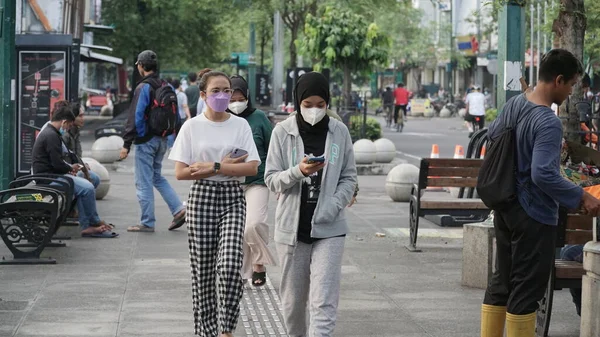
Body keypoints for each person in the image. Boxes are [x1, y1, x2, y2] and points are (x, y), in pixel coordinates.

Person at [480, 49, 600, 337]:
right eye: (571, 84)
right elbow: (542, 173)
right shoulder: (547, 121)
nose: (571, 91)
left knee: (502, 283)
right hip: (533, 213)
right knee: (526, 290)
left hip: (506, 206)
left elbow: (492, 137)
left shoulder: (514, 106)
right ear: (558, 80)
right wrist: (581, 196)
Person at [265, 72, 357, 337]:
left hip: (330, 229)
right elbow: (271, 179)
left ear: (328, 102)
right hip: (291, 231)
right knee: (293, 303)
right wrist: (299, 172)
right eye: (308, 105)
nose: (314, 110)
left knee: (323, 301)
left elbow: (349, 176)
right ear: (297, 102)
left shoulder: (339, 131)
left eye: (320, 104)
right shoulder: (282, 132)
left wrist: (333, 205)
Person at [169, 69, 260, 337]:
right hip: (201, 199)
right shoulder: (192, 126)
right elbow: (182, 172)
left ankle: (227, 329)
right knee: (203, 272)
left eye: (227, 91)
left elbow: (252, 167)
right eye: (216, 91)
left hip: (232, 198)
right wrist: (217, 169)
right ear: (204, 94)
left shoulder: (240, 125)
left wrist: (215, 165)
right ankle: (206, 332)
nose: (222, 96)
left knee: (230, 265)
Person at [119, 50, 186, 232]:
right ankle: (179, 209)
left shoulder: (144, 87)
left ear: (141, 66)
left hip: (145, 141)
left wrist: (127, 143)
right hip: (163, 138)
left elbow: (136, 116)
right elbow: (177, 116)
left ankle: (147, 222)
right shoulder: (167, 86)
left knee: (143, 181)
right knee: (156, 176)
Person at [32, 104, 117, 238]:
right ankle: (92, 224)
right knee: (87, 187)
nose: (68, 129)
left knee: (88, 181)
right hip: (48, 180)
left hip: (52, 176)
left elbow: (60, 161)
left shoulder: (52, 133)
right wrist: (70, 168)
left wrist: (72, 168)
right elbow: (57, 164)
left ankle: (88, 222)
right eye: (68, 126)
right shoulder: (51, 136)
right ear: (64, 122)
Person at [226, 75, 277, 287]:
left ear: (247, 96)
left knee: (253, 225)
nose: (236, 103)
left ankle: (259, 263)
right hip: (231, 180)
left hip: (258, 179)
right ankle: (246, 272)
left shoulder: (259, 118)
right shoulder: (221, 119)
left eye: (240, 98)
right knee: (239, 230)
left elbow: (275, 147)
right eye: (232, 98)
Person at [62, 102, 101, 188]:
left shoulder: (75, 133)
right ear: (73, 117)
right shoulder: (65, 135)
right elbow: (63, 160)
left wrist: (83, 165)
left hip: (73, 168)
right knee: (90, 182)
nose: (83, 118)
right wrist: (82, 168)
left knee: (95, 179)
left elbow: (76, 156)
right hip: (66, 171)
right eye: (80, 116)